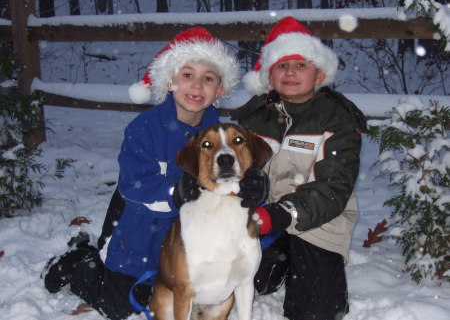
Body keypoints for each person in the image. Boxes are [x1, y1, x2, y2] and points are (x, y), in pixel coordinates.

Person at [42, 27, 260, 320]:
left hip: (197, 242)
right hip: (143, 229)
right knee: (126, 305)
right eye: (187, 75)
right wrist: (175, 193)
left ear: (219, 89)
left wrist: (255, 182)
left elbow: (242, 165)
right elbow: (133, 187)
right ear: (169, 81)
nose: (197, 86)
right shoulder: (144, 129)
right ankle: (79, 261)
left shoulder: (222, 134)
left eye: (208, 78)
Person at [230, 17, 369, 320]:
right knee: (240, 281)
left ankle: (317, 276)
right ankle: (279, 262)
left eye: (301, 65)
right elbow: (233, 165)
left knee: (315, 311)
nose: (290, 72)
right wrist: (248, 184)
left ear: (319, 74)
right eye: (281, 65)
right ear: (269, 74)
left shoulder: (336, 118)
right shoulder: (254, 117)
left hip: (320, 219)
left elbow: (334, 185)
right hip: (265, 218)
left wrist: (284, 212)